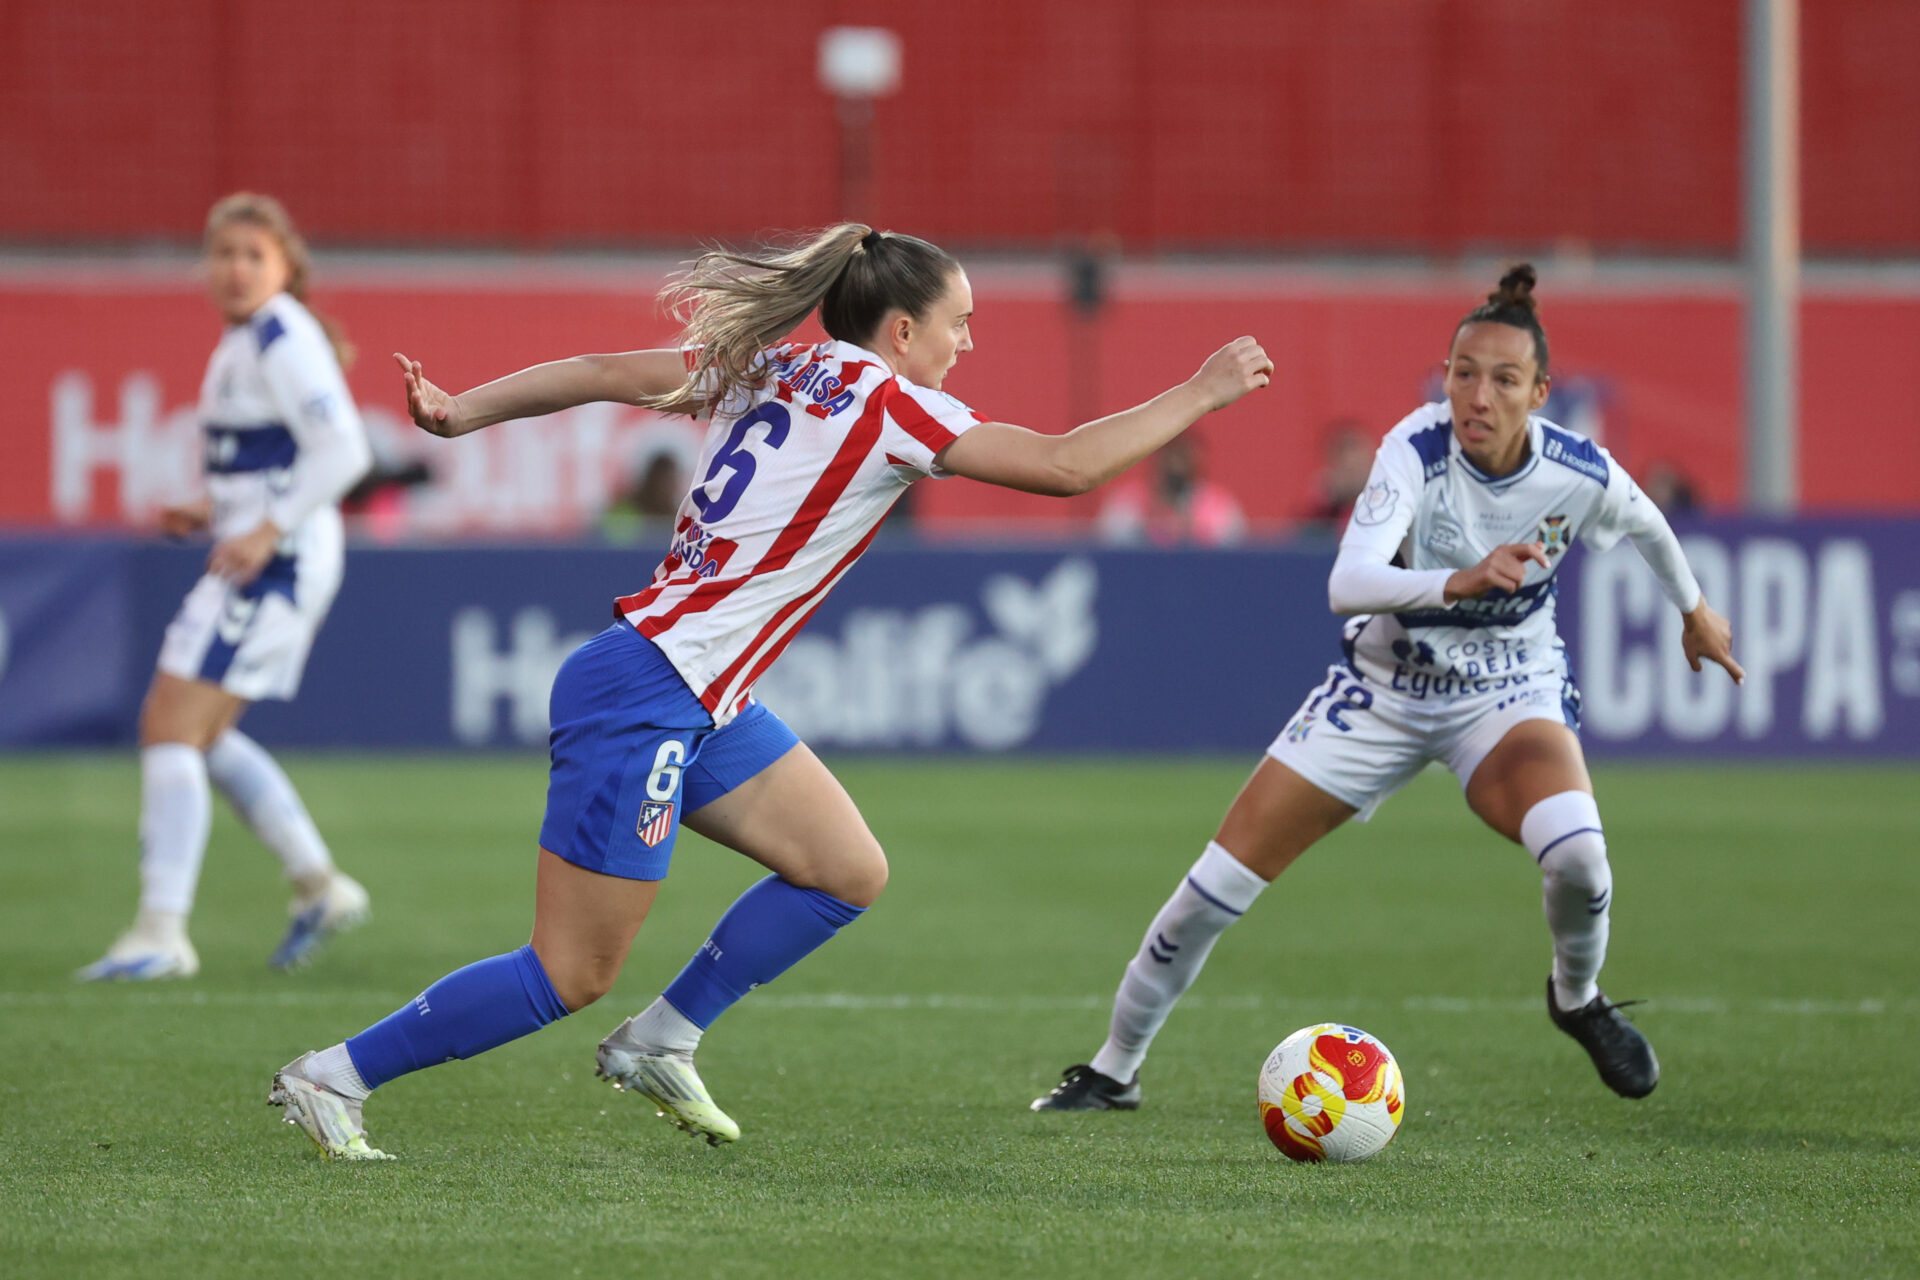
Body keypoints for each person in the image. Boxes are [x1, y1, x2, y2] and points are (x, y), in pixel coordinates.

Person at [269, 224, 1273, 1159]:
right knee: (571, 970)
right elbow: (1063, 465)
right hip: (651, 689)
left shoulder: (771, 364)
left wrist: (463, 408)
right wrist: (1201, 388)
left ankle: (662, 1038)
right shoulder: (888, 400)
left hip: (695, 690)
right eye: (961, 323)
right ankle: (334, 1075)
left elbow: (605, 372)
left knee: (845, 868)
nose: (968, 343)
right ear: (905, 327)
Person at [1034, 265, 1743, 1112]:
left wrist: (1695, 611)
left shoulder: (1577, 471)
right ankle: (1115, 1068)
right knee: (1213, 890)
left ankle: (1576, 997)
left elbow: (1647, 523)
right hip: (1382, 689)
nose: (1478, 396)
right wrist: (1461, 580)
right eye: (1463, 373)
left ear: (1541, 393)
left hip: (1507, 689)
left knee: (1581, 857)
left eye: (1504, 380)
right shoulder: (1415, 449)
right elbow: (1350, 581)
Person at [77, 194, 375, 981]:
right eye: (224, 254)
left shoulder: (280, 334)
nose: (237, 269)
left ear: (284, 267)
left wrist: (266, 527)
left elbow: (344, 449)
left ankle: (161, 933)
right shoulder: (249, 339)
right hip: (265, 553)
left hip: (277, 562)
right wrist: (214, 507)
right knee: (198, 736)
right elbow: (276, 460)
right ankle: (317, 883)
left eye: (254, 254)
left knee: (171, 726)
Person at [1095, 434, 1247, 545]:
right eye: (1170, 454)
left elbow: (1232, 552)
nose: (1175, 465)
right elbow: (1111, 546)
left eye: (1182, 456)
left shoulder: (1221, 506)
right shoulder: (1127, 501)